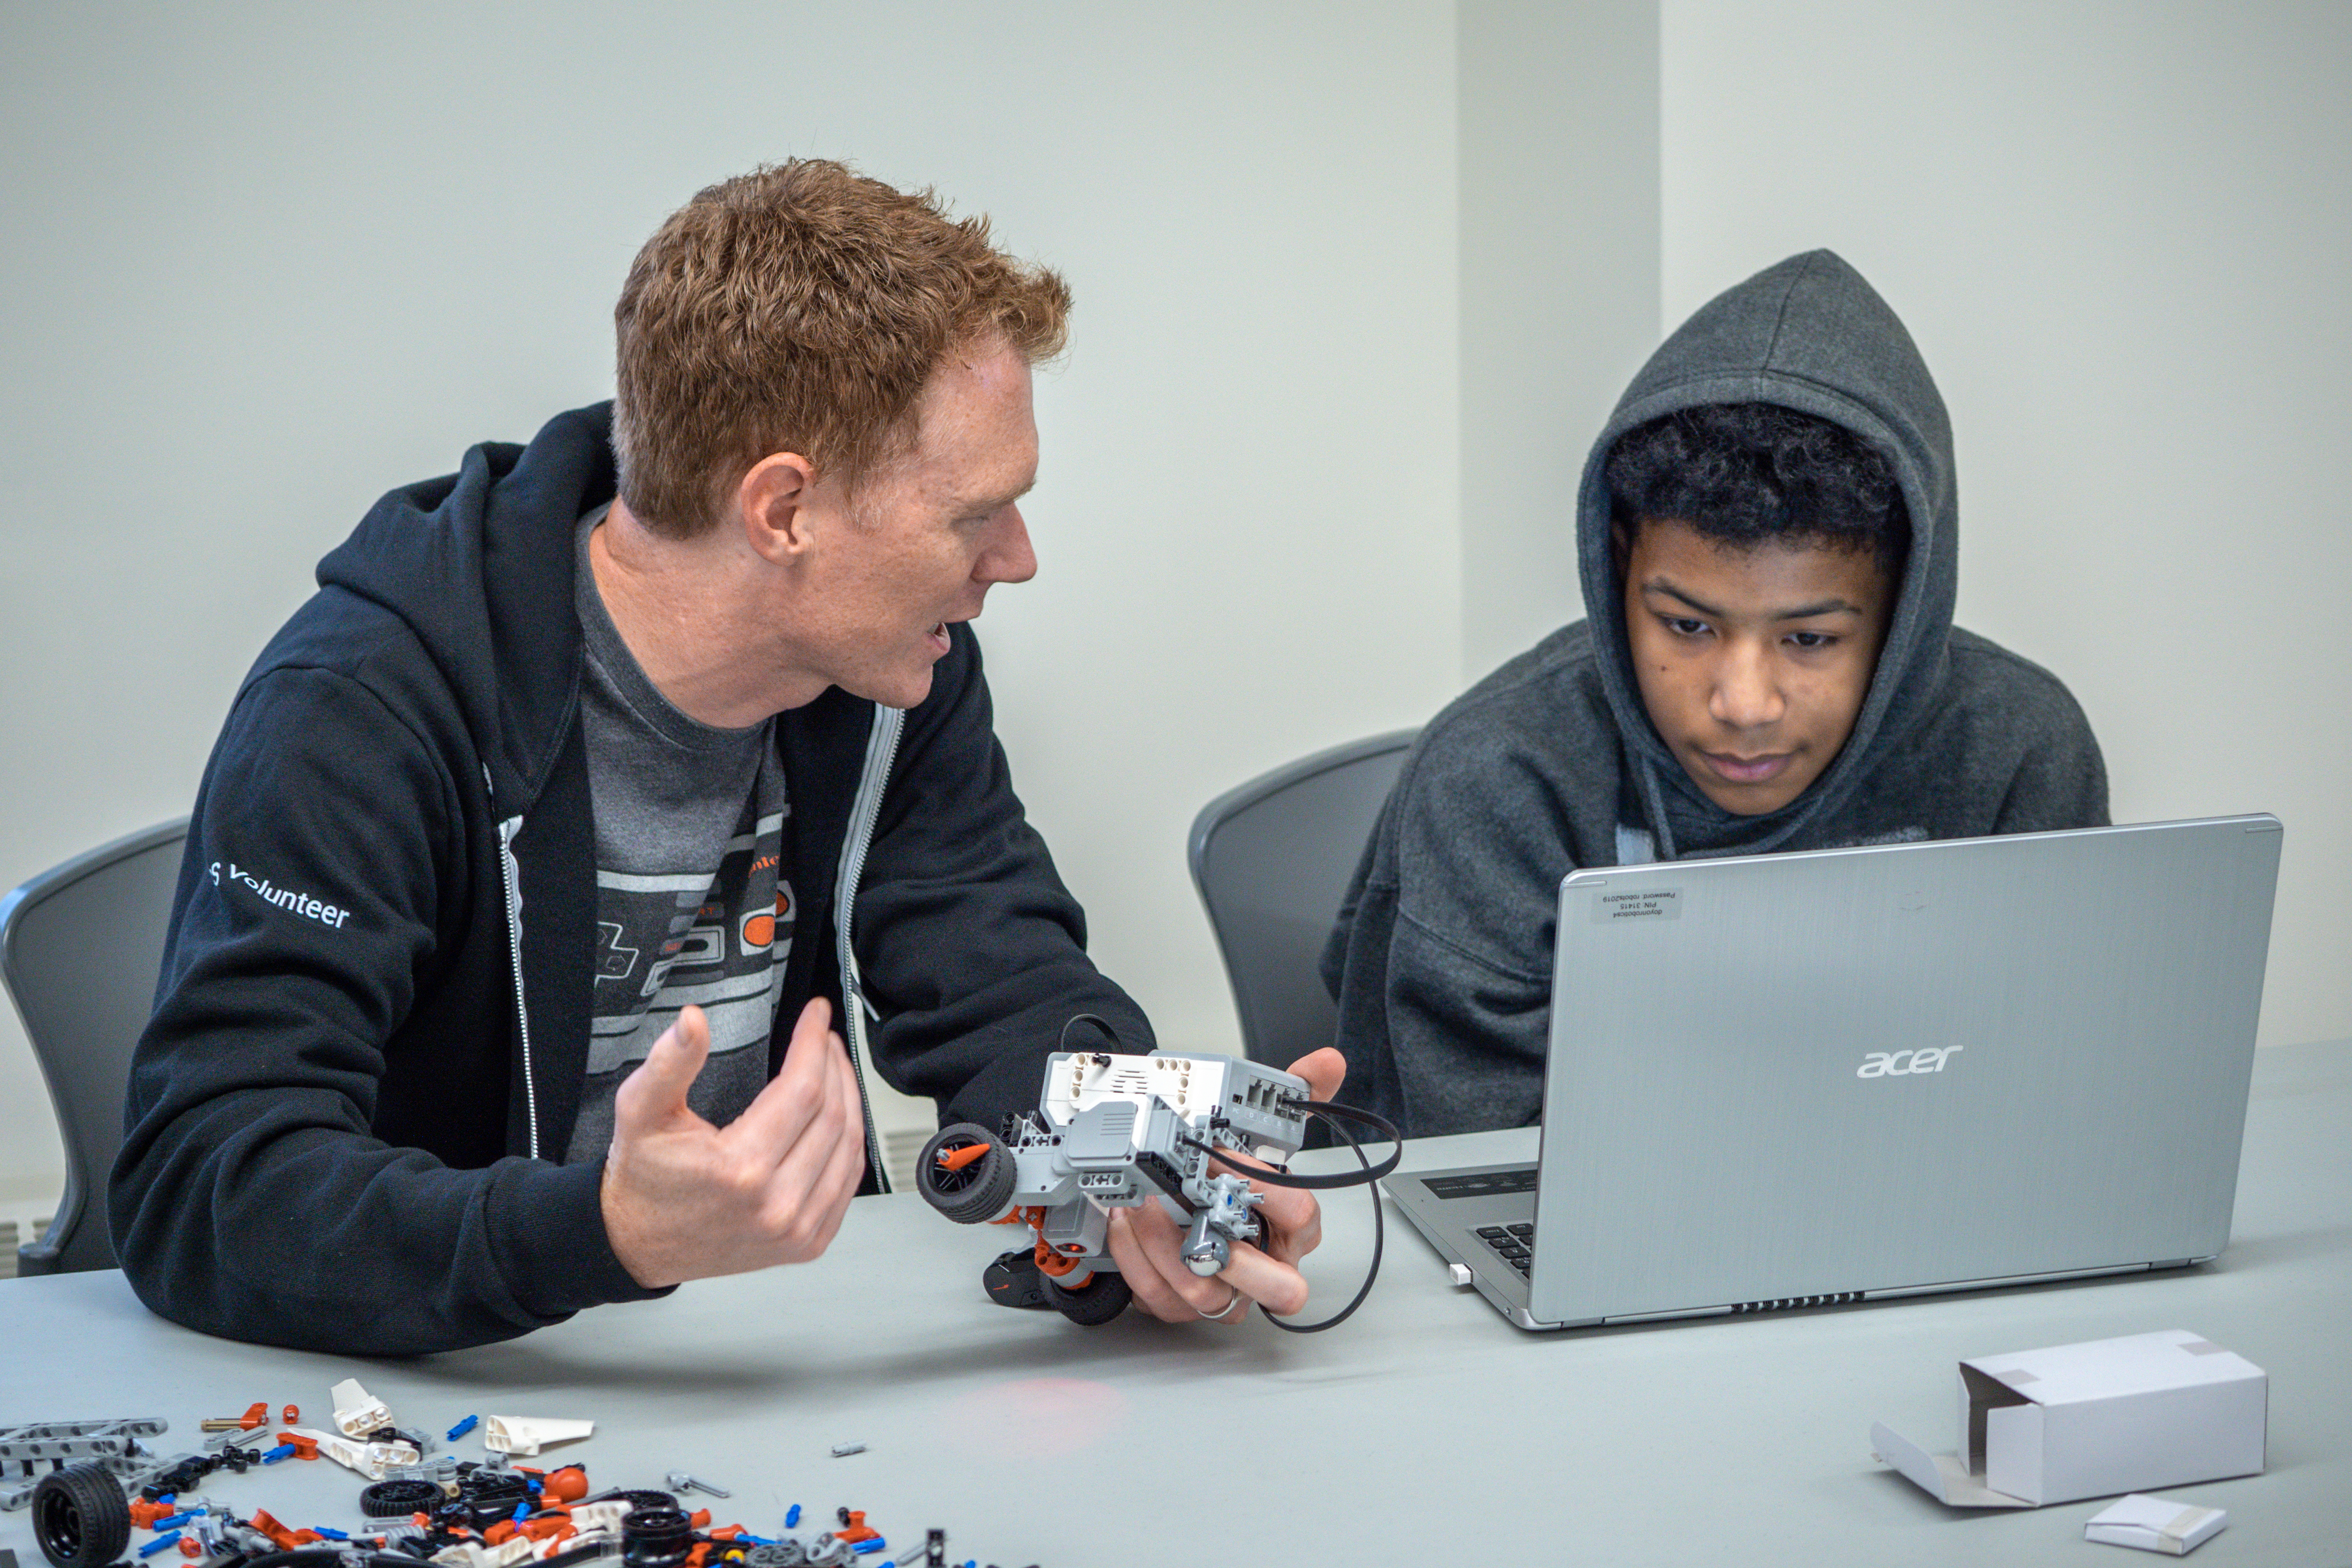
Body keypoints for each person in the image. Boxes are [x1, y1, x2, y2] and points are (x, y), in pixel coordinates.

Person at [112, 160, 1340, 1353]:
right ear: (782, 511)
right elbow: (204, 1181)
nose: (1014, 557)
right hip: (450, 1399)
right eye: (972, 513)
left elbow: (992, 968)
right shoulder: (363, 707)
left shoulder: (892, 668)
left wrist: (1141, 1144)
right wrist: (599, 1230)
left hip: (792, 1362)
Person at [1324, 249, 2107, 1137]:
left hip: (1942, 1208)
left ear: (1904, 609)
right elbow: (1467, 1163)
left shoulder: (2014, 747)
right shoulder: (1497, 776)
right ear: (1618, 565)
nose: (1742, 703)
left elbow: (2060, 1083)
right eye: (1687, 627)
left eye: (1808, 639)